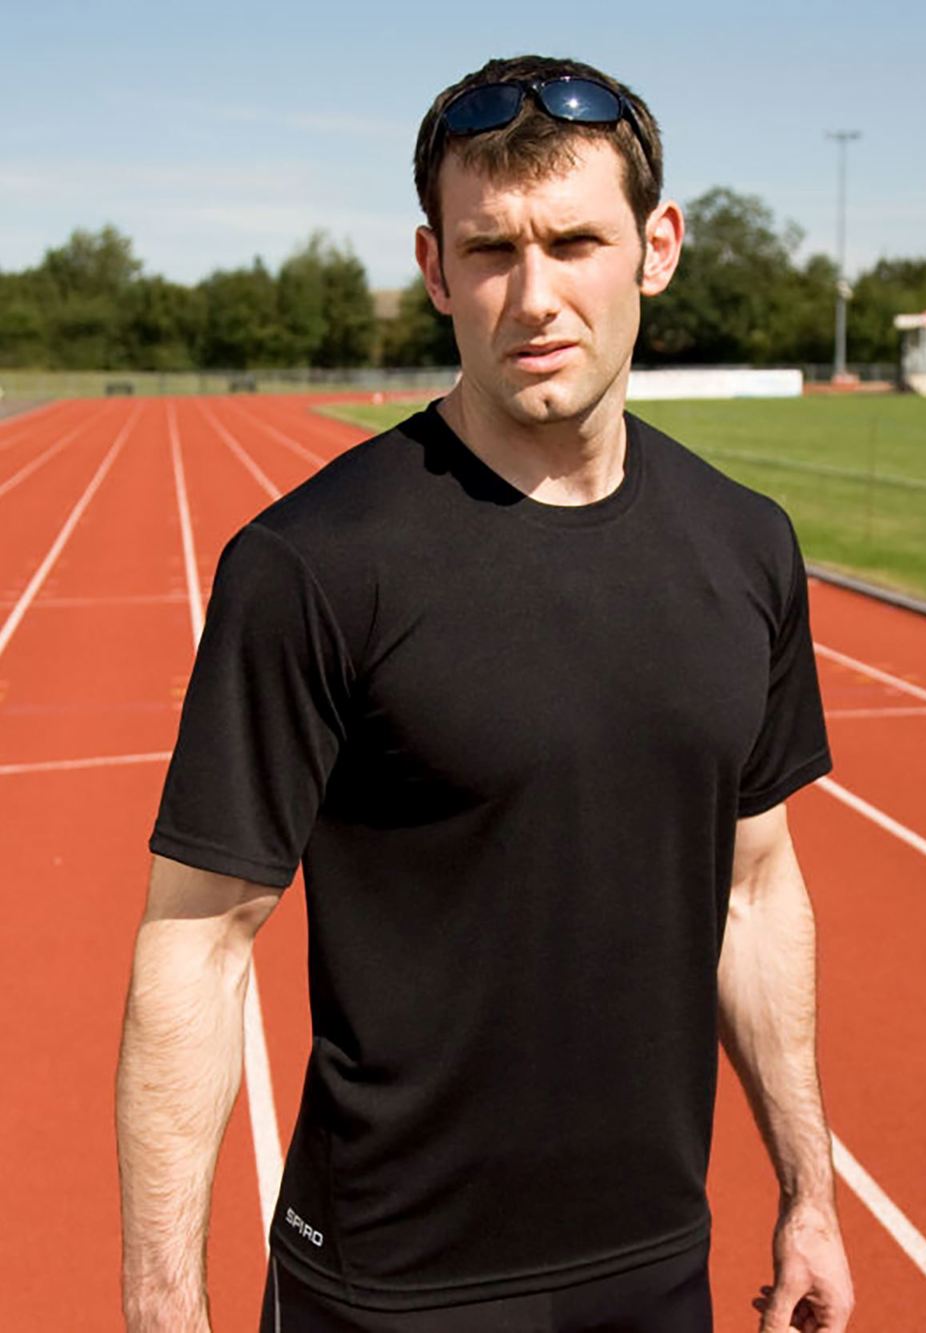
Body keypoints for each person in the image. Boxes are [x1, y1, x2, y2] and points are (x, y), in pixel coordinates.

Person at [116, 53, 855, 1333]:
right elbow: (199, 940)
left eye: (574, 242)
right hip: (386, 1286)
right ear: (434, 268)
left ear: (657, 248)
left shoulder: (745, 545)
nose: (534, 295)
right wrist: (163, 1309)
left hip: (654, 1265)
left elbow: (753, 886)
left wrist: (809, 1193)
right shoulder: (313, 564)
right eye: (491, 249)